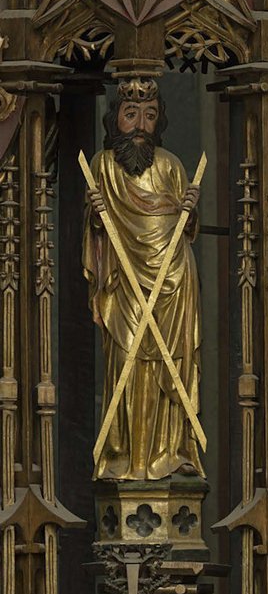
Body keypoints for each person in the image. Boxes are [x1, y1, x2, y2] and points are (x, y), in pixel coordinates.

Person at [84, 78, 202, 481]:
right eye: (131, 114)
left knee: (171, 366)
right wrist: (95, 217)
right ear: (115, 118)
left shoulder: (170, 165)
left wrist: (190, 211)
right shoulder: (102, 167)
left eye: (149, 116)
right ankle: (122, 458)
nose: (140, 125)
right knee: (127, 362)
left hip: (174, 279)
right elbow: (95, 236)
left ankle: (169, 453)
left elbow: (186, 228)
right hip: (124, 281)